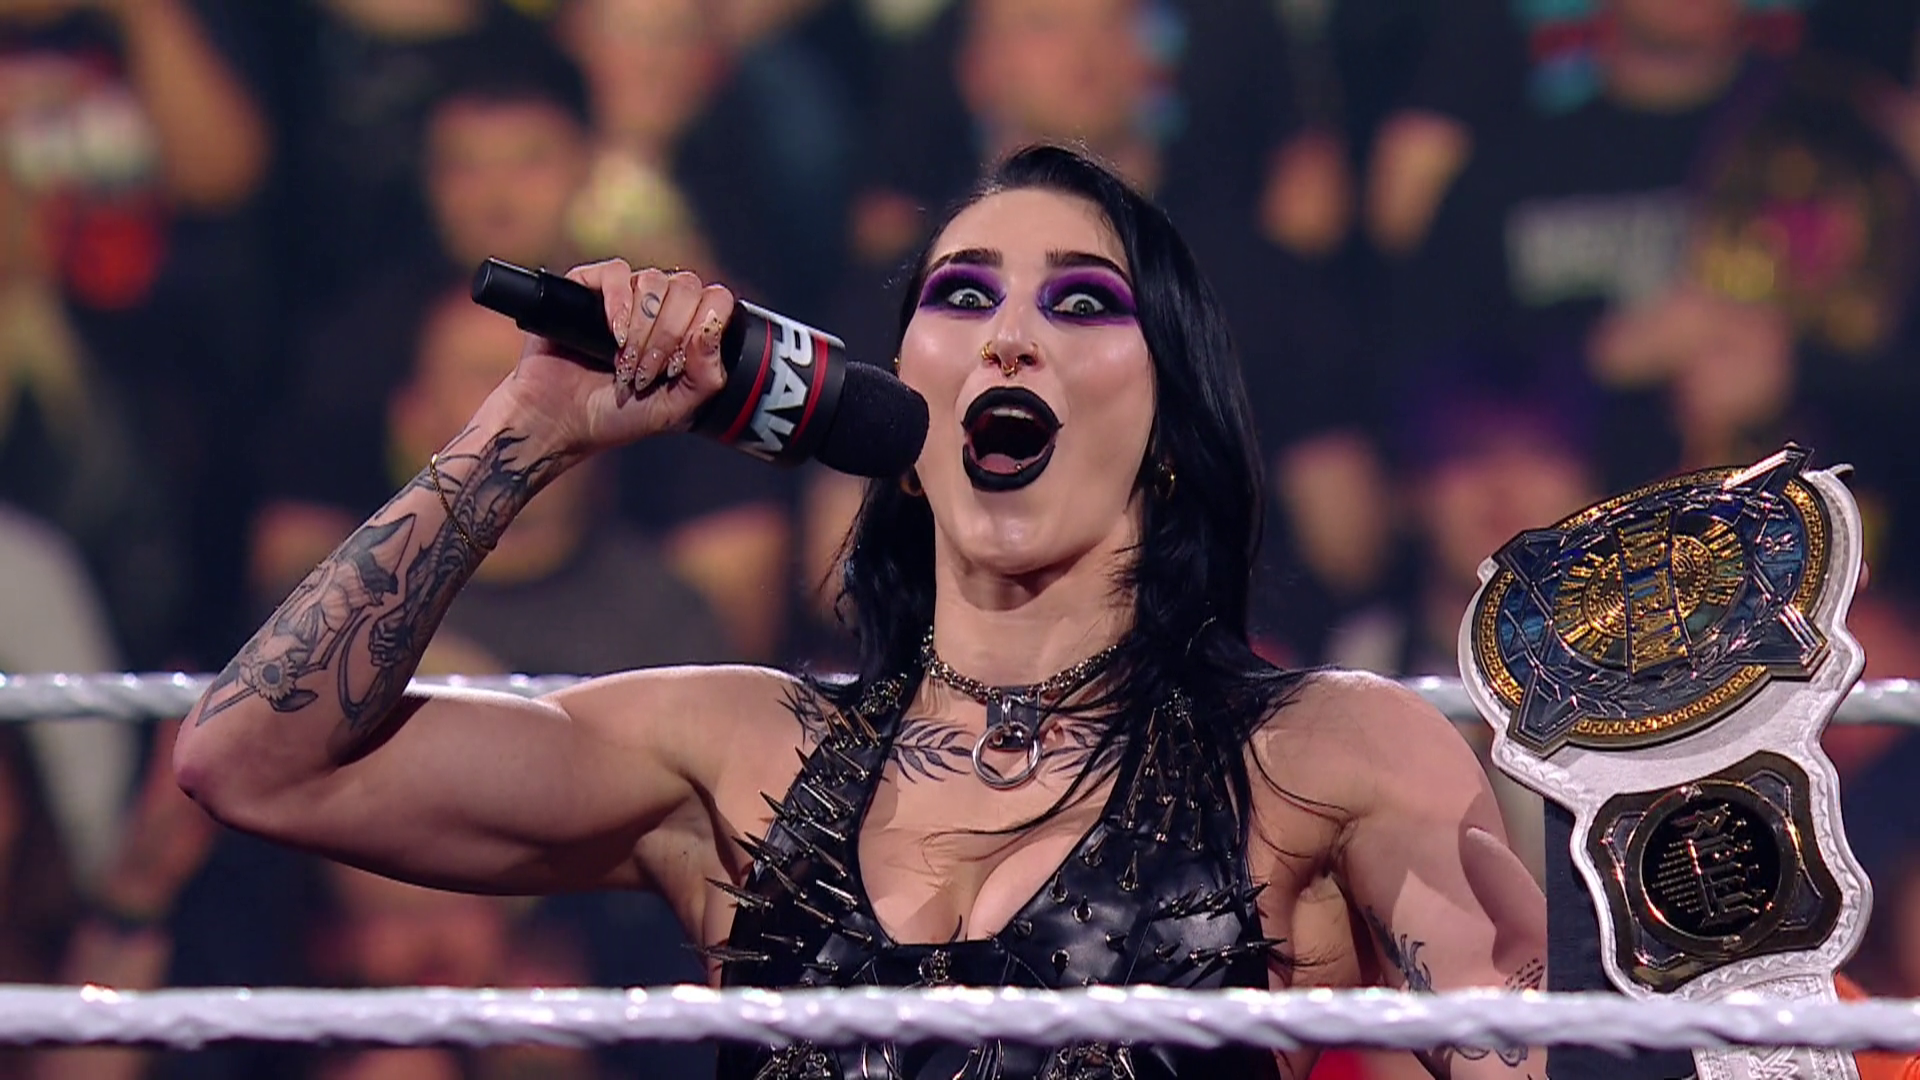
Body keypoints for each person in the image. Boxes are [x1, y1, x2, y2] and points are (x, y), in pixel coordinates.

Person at [174, 145, 1547, 1079]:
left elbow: (1518, 1052)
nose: (1009, 335)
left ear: (1172, 424)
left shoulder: (1323, 754)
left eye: (1081, 301)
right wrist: (532, 423)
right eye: (963, 295)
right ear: (897, 414)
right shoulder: (737, 754)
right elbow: (250, 762)